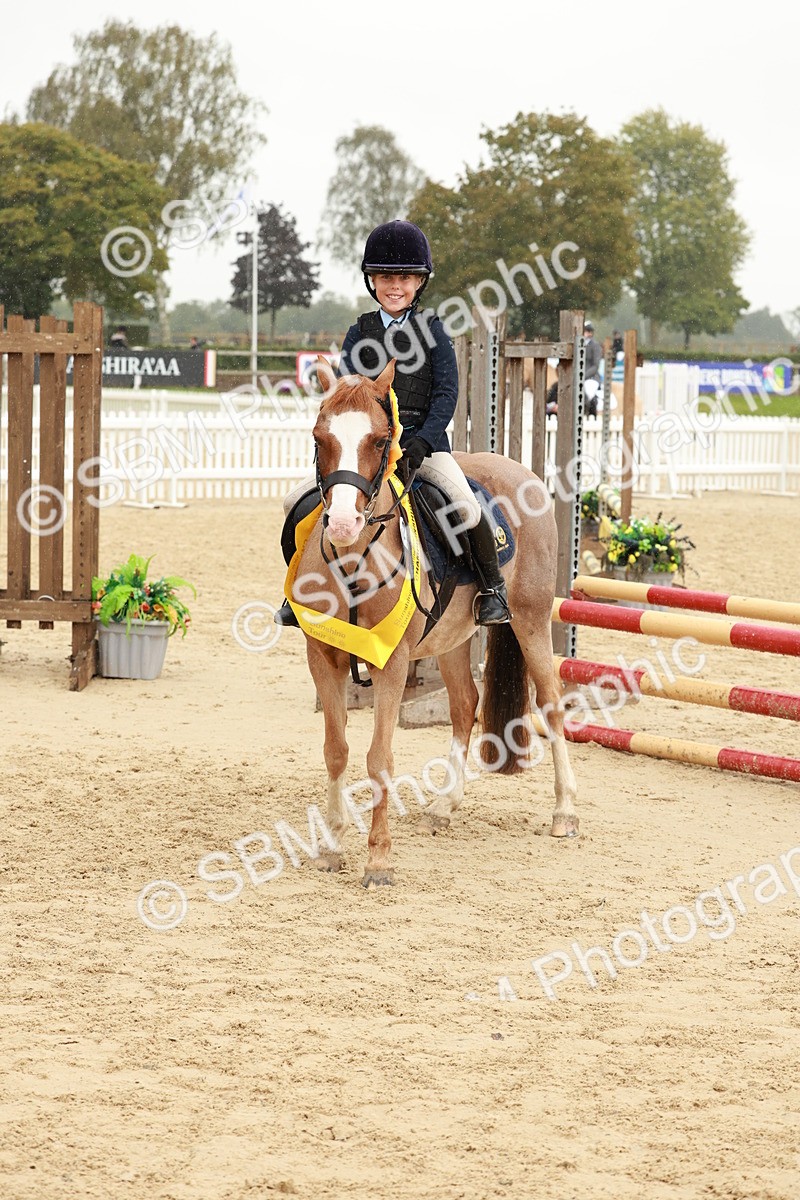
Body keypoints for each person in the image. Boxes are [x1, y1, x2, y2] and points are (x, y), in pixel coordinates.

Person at [274, 219, 511, 628]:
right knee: (296, 506)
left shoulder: (434, 331)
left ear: (420, 283)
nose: (395, 286)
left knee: (466, 506)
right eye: (385, 277)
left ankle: (492, 589)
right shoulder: (359, 332)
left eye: (405, 278)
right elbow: (345, 396)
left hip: (424, 447)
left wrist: (422, 442)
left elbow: (445, 395)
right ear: (372, 281)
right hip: (367, 452)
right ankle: (296, 592)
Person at [583, 321, 602, 417]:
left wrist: (583, 376)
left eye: (589, 331)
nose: (588, 333)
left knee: (588, 393)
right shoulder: (579, 345)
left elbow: (595, 366)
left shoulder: (595, 345)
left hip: (591, 378)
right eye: (586, 331)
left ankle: (590, 413)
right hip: (579, 376)